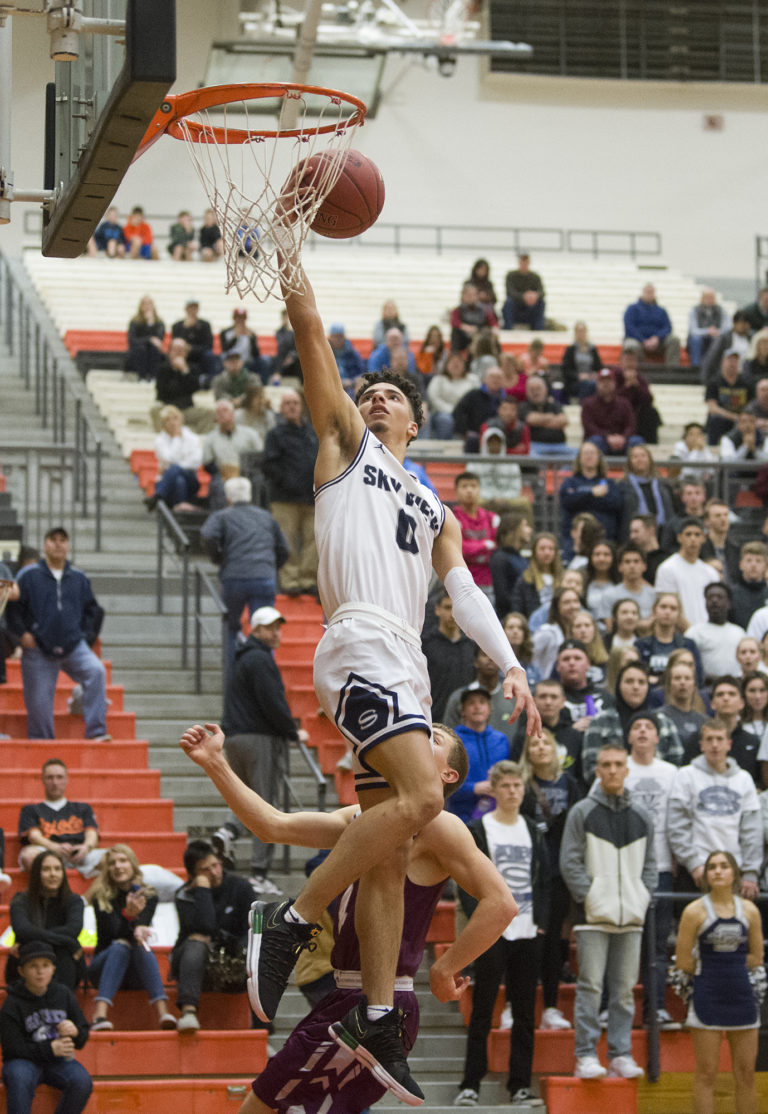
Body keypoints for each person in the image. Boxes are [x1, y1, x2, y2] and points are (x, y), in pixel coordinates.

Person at [243, 250, 539, 1103]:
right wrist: (292, 255)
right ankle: (291, 918)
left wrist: (512, 664)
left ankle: (375, 1013)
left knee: (390, 846)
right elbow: (307, 332)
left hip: (404, 660)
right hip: (359, 642)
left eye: (391, 396)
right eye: (368, 393)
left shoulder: (434, 504)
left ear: (415, 422)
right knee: (425, 802)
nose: (376, 399)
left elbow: (466, 593)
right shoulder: (343, 446)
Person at [180, 720, 513, 1114]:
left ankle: (286, 922)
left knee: (260, 1106)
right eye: (420, 731)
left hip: (381, 1000)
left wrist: (445, 967)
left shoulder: (440, 826)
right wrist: (215, 762)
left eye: (434, 738)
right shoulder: (363, 818)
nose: (421, 736)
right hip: (345, 996)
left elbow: (501, 904)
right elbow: (271, 826)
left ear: (447, 774)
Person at [455, 760, 549, 1108]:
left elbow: (545, 879)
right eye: (505, 786)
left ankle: (520, 1085)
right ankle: (470, 1084)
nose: (512, 791)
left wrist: (541, 921)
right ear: (493, 790)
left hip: (527, 932)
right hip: (492, 932)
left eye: (517, 786)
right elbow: (464, 878)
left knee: (525, 1012)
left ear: (524, 790)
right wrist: (480, 916)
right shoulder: (480, 829)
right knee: (483, 1010)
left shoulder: (533, 830)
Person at [560, 743, 656, 1080]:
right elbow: (569, 863)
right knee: (591, 988)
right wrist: (593, 899)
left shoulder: (643, 817)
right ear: (597, 771)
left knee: (625, 991)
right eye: (606, 765)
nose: (613, 770)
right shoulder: (582, 812)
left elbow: (651, 867)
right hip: (592, 918)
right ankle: (585, 1054)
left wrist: (640, 897)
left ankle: (620, 1053)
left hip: (631, 917)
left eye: (618, 764)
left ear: (627, 769)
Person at [216, 605, 308, 894]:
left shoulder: (241, 658)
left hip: (234, 737)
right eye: (270, 628)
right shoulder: (260, 660)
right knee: (264, 804)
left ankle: (228, 831)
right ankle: (258, 871)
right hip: (258, 739)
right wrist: (292, 730)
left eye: (278, 627)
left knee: (244, 796)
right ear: (254, 630)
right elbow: (272, 701)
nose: (276, 633)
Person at [675, 850, 762, 1114]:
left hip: (742, 997)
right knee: (706, 1074)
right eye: (712, 866)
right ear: (706, 875)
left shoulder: (749, 910)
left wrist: (732, 968)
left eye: (724, 866)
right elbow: (682, 961)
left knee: (746, 1074)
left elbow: (757, 956)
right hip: (707, 995)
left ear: (734, 872)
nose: (718, 871)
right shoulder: (694, 912)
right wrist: (712, 969)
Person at [6, 527, 107, 741]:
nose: (58, 544)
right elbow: (14, 608)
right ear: (45, 545)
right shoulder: (29, 575)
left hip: (73, 646)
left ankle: (96, 732)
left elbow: (93, 610)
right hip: (38, 649)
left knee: (96, 671)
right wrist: (22, 635)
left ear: (68, 546)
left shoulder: (79, 577)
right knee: (39, 705)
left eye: (63, 540)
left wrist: (85, 637)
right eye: (53, 539)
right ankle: (42, 746)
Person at [520, 734, 583, 1028]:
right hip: (527, 873)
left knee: (555, 940)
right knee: (526, 939)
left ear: (556, 750)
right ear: (528, 752)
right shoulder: (520, 784)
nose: (541, 747)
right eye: (535, 744)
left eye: (546, 743)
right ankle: (515, 1005)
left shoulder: (569, 784)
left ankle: (550, 1008)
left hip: (559, 873)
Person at [621, 712, 679, 1028]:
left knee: (657, 946)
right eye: (637, 727)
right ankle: (618, 1009)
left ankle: (655, 1008)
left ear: (658, 737)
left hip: (663, 867)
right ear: (629, 736)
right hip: (626, 870)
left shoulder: (673, 773)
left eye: (649, 727)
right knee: (626, 939)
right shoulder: (619, 769)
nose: (643, 731)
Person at [201, 476, 290, 669]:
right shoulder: (266, 517)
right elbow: (284, 548)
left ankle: (232, 673)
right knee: (265, 626)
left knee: (231, 627)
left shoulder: (223, 516)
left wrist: (218, 557)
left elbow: (208, 535)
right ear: (249, 496)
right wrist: (271, 567)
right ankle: (265, 670)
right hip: (264, 577)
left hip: (234, 577)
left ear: (228, 498)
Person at [86, 844, 177, 1031]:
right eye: (112, 863)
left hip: (135, 970)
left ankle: (164, 1014)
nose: (118, 866)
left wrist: (136, 922)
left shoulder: (148, 895)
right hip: (103, 967)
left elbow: (140, 930)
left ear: (132, 864)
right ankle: (99, 1015)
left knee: (139, 944)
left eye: (123, 861)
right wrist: (129, 916)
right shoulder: (100, 897)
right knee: (121, 945)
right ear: (107, 869)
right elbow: (109, 935)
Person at [668, 720, 762, 894]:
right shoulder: (686, 775)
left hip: (735, 871)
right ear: (701, 745)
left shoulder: (744, 779)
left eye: (719, 739)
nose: (715, 745)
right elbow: (677, 826)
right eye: (709, 739)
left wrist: (750, 872)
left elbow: (752, 830)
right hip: (696, 871)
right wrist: (693, 864)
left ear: (729, 744)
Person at [171, 839, 254, 1032]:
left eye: (215, 865)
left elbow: (252, 928)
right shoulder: (184, 895)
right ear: (193, 875)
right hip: (194, 960)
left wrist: (242, 952)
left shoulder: (240, 887)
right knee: (197, 940)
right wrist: (202, 890)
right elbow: (206, 926)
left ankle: (263, 1032)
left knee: (259, 952)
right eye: (205, 870)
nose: (215, 872)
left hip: (234, 957)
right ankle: (189, 1013)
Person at [0, 940, 92, 1114]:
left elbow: (82, 1034)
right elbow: (11, 1049)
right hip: (23, 1062)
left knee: (82, 1081)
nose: (40, 972)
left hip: (57, 1062)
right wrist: (50, 1048)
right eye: (33, 966)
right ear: (22, 971)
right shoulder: (12, 1002)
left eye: (46, 965)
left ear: (53, 969)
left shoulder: (63, 994)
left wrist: (76, 1031)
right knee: (18, 1077)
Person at [581, 661, 682, 783]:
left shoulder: (665, 722)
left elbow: (676, 766)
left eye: (641, 682)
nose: (635, 687)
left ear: (648, 687)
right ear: (619, 686)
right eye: (629, 681)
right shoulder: (600, 722)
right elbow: (590, 770)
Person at [262, 390, 319, 596]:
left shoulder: (312, 433)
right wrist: (287, 482)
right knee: (286, 540)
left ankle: (307, 579)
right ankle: (290, 581)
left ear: (301, 406)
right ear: (281, 408)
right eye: (287, 403)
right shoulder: (275, 435)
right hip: (284, 499)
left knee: (314, 542)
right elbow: (269, 465)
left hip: (312, 498)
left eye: (295, 402)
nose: (292, 406)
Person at [6, 850, 85, 990]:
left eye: (57, 869)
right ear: (36, 873)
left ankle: (61, 1005)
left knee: (62, 952)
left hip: (62, 960)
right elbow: (22, 929)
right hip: (29, 956)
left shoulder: (74, 900)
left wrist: (33, 934)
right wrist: (68, 941)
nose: (53, 874)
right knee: (44, 949)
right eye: (46, 869)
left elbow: (73, 930)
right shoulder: (21, 899)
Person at [445, 688, 511, 824]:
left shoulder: (501, 740)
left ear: (490, 709)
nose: (477, 707)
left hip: (498, 817)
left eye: (482, 702)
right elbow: (443, 781)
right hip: (461, 817)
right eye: (471, 703)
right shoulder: (452, 740)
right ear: (462, 711)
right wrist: (473, 788)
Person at [443, 646, 522, 747]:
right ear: (475, 662)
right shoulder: (459, 697)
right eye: (484, 654)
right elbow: (447, 735)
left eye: (494, 655)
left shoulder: (513, 697)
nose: (490, 658)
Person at [654, 518, 720, 627]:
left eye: (697, 534)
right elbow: (669, 606)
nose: (693, 539)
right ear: (679, 538)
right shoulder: (667, 568)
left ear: (703, 538)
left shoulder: (711, 573)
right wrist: (691, 633)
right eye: (688, 534)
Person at [421, 591, 476, 722]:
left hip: (467, 720)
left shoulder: (472, 646)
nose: (452, 614)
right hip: (433, 718)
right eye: (447, 607)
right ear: (437, 609)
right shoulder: (424, 644)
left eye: (457, 608)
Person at [559, 442, 623, 550]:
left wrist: (583, 501)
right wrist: (592, 493)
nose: (589, 456)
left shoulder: (610, 483)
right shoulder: (570, 483)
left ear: (599, 458)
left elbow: (616, 504)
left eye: (592, 453)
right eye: (586, 453)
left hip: (604, 540)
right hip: (574, 542)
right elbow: (568, 502)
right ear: (579, 458)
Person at [635, 592, 702, 686]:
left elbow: (697, 678)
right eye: (663, 607)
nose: (667, 612)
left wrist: (657, 680)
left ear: (679, 614)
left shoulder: (689, 645)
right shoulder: (640, 645)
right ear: (654, 611)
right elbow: (636, 677)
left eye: (673, 608)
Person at [153, 337, 213, 435]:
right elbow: (161, 392)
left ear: (186, 353)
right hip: (167, 408)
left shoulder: (192, 369)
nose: (178, 353)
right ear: (170, 352)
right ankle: (164, 438)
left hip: (186, 409)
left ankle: (195, 440)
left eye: (181, 350)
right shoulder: (162, 368)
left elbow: (195, 388)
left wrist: (185, 371)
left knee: (209, 413)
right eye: (176, 350)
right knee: (155, 410)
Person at [451, 471, 498, 596]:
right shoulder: (452, 519)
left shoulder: (491, 518)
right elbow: (459, 549)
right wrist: (485, 546)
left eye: (473, 486)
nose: (469, 490)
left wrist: (472, 548)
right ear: (456, 491)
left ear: (479, 490)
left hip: (489, 583)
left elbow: (497, 547)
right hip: (462, 583)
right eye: (464, 486)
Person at [685, 582, 745, 681]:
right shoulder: (694, 633)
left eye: (719, 597)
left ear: (729, 603)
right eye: (710, 597)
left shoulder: (739, 633)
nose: (714, 600)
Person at [618, 443, 675, 542]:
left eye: (643, 456)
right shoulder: (623, 486)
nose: (640, 459)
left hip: (663, 534)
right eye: (635, 457)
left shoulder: (663, 484)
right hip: (634, 536)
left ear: (650, 459)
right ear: (629, 462)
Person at [151, 404, 202, 512]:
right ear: (163, 423)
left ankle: (158, 495)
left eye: (175, 418)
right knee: (179, 480)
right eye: (167, 420)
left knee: (175, 469)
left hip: (190, 478)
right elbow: (169, 458)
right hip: (170, 481)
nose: (172, 422)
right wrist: (177, 439)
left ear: (181, 420)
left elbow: (196, 461)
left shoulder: (192, 438)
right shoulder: (160, 440)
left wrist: (176, 467)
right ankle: (180, 505)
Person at [580, 368, 640, 456]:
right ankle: (598, 469)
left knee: (637, 441)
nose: (606, 384)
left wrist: (623, 437)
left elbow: (631, 425)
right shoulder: (588, 404)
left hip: (623, 442)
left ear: (615, 383)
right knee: (595, 441)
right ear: (597, 384)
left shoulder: (624, 403)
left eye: (609, 381)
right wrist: (607, 437)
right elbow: (589, 428)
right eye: (602, 381)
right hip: (601, 441)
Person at [660, 652, 709, 756]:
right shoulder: (660, 716)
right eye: (677, 678)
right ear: (669, 684)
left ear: (693, 684)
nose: (682, 682)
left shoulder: (703, 720)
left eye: (687, 678)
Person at [622, 283, 681, 366]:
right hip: (638, 342)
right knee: (631, 345)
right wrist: (643, 340)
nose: (649, 294)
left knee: (674, 340)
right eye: (647, 292)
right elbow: (629, 327)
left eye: (651, 292)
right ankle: (638, 372)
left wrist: (657, 338)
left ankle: (672, 371)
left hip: (658, 343)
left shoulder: (661, 311)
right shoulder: (632, 309)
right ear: (642, 293)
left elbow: (668, 327)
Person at [531, 586, 583, 679]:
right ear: (557, 606)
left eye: (576, 601)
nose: (573, 606)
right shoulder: (547, 632)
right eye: (567, 602)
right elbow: (529, 658)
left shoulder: (578, 631)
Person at [705, 348, 754, 445]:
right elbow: (712, 408)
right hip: (723, 418)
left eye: (735, 360)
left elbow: (752, 405)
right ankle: (713, 447)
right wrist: (733, 416)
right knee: (715, 419)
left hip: (742, 419)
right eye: (729, 360)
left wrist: (743, 418)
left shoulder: (746, 383)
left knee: (750, 422)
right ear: (723, 362)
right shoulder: (714, 382)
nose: (732, 363)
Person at [426, 351, 479, 440]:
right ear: (447, 365)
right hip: (443, 412)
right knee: (445, 420)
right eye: (453, 363)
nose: (456, 365)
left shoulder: (473, 380)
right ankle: (445, 450)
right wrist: (452, 411)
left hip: (467, 414)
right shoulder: (438, 379)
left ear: (464, 365)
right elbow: (434, 398)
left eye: (459, 363)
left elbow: (477, 398)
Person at [510, 532, 563, 617]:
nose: (547, 553)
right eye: (542, 549)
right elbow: (517, 610)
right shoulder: (525, 579)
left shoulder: (564, 578)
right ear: (534, 552)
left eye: (551, 549)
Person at [519, 374, 572, 457]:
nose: (535, 392)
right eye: (532, 389)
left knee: (576, 455)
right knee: (531, 456)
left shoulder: (554, 404)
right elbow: (531, 419)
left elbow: (564, 421)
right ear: (527, 392)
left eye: (538, 388)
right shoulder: (523, 406)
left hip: (559, 446)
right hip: (535, 446)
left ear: (545, 389)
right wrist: (552, 417)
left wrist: (540, 420)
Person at [601, 543, 656, 621]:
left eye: (636, 561)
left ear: (644, 566)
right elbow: (610, 628)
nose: (632, 566)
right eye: (627, 562)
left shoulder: (653, 595)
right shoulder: (609, 595)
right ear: (620, 567)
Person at [489, 514, 531, 617]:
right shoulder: (500, 558)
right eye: (525, 525)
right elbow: (502, 596)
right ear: (515, 529)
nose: (530, 530)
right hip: (509, 618)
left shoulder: (520, 557)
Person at [171, 298, 217, 386]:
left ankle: (210, 381)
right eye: (190, 308)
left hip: (199, 354)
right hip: (183, 354)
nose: (192, 311)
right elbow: (175, 344)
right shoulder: (177, 326)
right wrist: (185, 329)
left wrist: (191, 349)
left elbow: (209, 345)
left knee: (210, 355)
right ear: (186, 309)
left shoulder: (204, 325)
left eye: (195, 308)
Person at [686, 288, 731, 369]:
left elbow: (728, 327)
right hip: (699, 338)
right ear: (702, 298)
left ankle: (715, 367)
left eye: (711, 297)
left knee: (719, 339)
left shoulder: (721, 310)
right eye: (707, 297)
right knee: (696, 339)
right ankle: (696, 367)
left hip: (715, 337)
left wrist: (717, 332)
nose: (709, 300)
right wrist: (707, 331)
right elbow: (693, 330)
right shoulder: (694, 310)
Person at [125, 295, 165, 381]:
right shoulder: (134, 322)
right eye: (144, 304)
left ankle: (153, 376)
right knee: (142, 349)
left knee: (154, 349)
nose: (147, 306)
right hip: (138, 351)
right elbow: (132, 340)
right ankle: (142, 376)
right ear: (140, 306)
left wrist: (151, 324)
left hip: (153, 352)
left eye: (149, 304)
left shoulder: (159, 322)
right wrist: (149, 339)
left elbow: (159, 339)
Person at [502, 252, 546, 331]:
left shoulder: (535, 277)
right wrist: (524, 297)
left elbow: (542, 292)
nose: (524, 264)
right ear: (519, 262)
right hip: (516, 308)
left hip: (530, 309)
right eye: (522, 261)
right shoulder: (511, 275)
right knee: (509, 302)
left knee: (541, 303)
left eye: (526, 261)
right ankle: (508, 329)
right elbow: (510, 292)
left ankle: (539, 330)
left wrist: (535, 296)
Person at [560, 321, 602, 402]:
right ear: (575, 333)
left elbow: (599, 367)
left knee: (596, 385)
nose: (581, 333)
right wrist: (579, 376)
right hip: (575, 382)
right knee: (587, 385)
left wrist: (594, 374)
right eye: (579, 331)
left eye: (583, 331)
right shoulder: (570, 350)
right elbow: (566, 370)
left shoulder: (592, 349)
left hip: (591, 379)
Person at [450, 283, 499, 352]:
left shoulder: (484, 310)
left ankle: (497, 356)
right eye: (469, 295)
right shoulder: (458, 310)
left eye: (474, 295)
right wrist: (466, 327)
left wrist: (495, 328)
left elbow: (493, 321)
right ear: (463, 296)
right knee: (455, 331)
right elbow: (455, 322)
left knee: (490, 333)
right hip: (464, 337)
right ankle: (455, 354)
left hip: (480, 336)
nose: (472, 297)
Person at [731, 541, 768, 630]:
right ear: (741, 565)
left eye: (758, 561)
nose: (753, 565)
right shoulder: (731, 593)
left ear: (765, 566)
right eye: (749, 560)